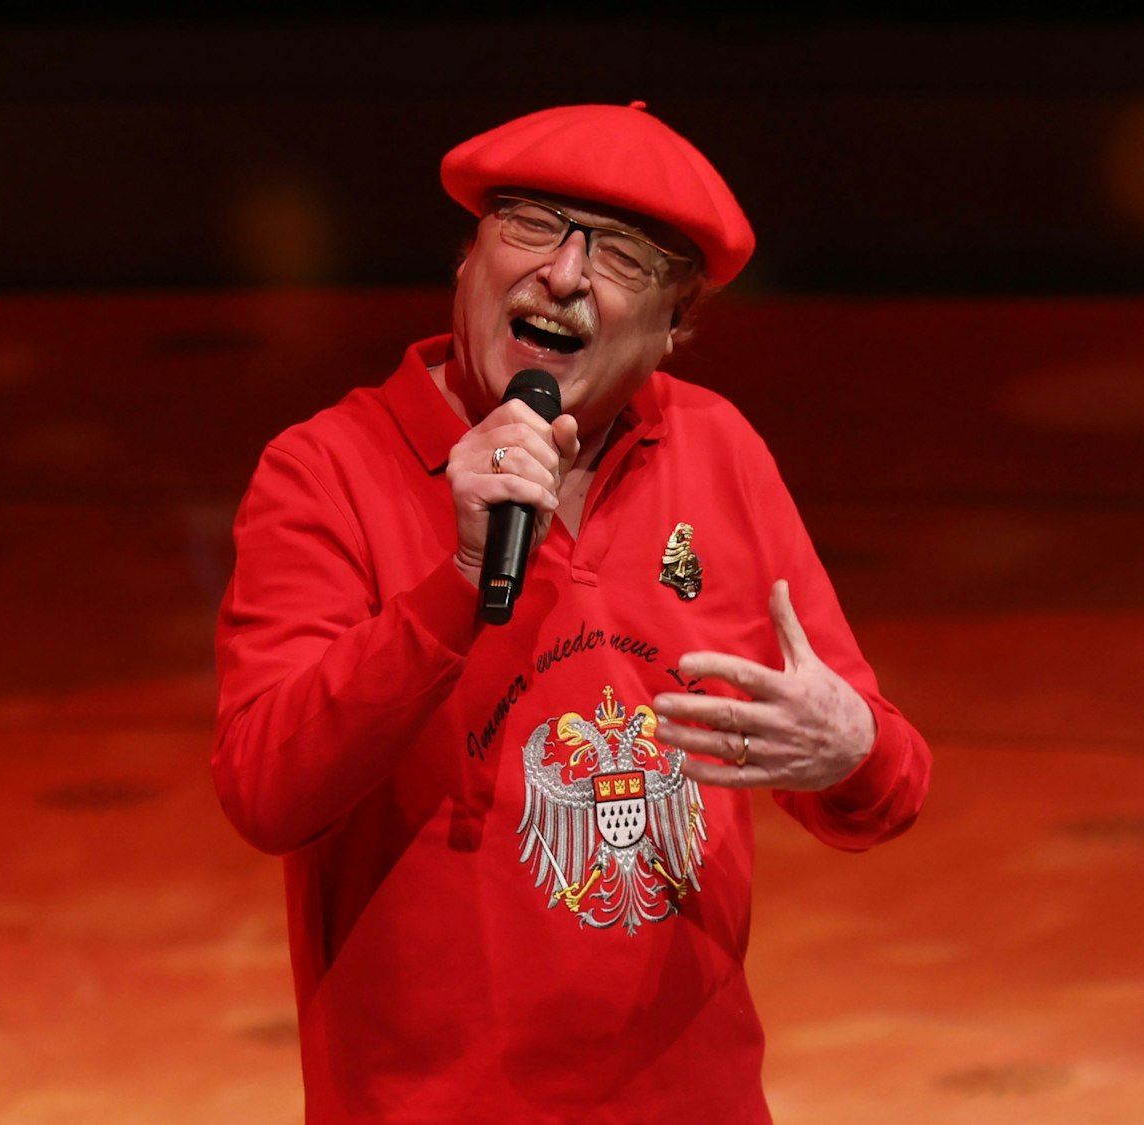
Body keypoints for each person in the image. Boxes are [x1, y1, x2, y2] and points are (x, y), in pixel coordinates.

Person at [213, 101, 931, 1123]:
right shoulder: (325, 471)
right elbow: (265, 790)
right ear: (467, 260)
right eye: (532, 226)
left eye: (623, 258)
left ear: (676, 326)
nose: (563, 274)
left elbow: (887, 783)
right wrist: (456, 583)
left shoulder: (717, 450)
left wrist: (849, 746)